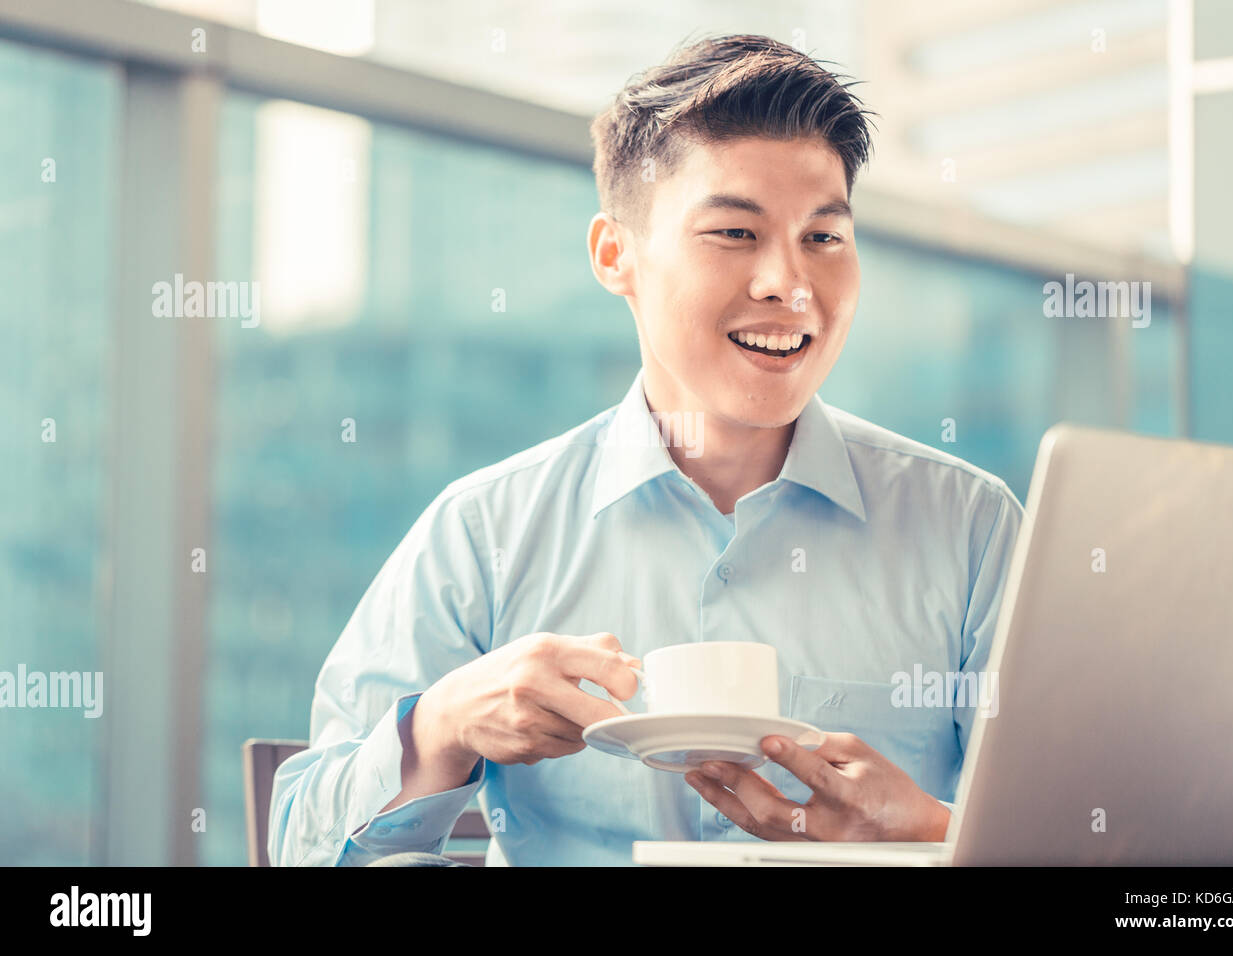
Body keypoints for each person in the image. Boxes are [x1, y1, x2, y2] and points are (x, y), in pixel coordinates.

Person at [269, 33, 1023, 867]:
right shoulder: (485, 533)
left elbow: (1100, 832)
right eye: (736, 232)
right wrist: (442, 727)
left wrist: (928, 834)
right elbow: (298, 842)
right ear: (614, 254)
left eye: (824, 237)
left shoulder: (971, 527)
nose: (789, 283)